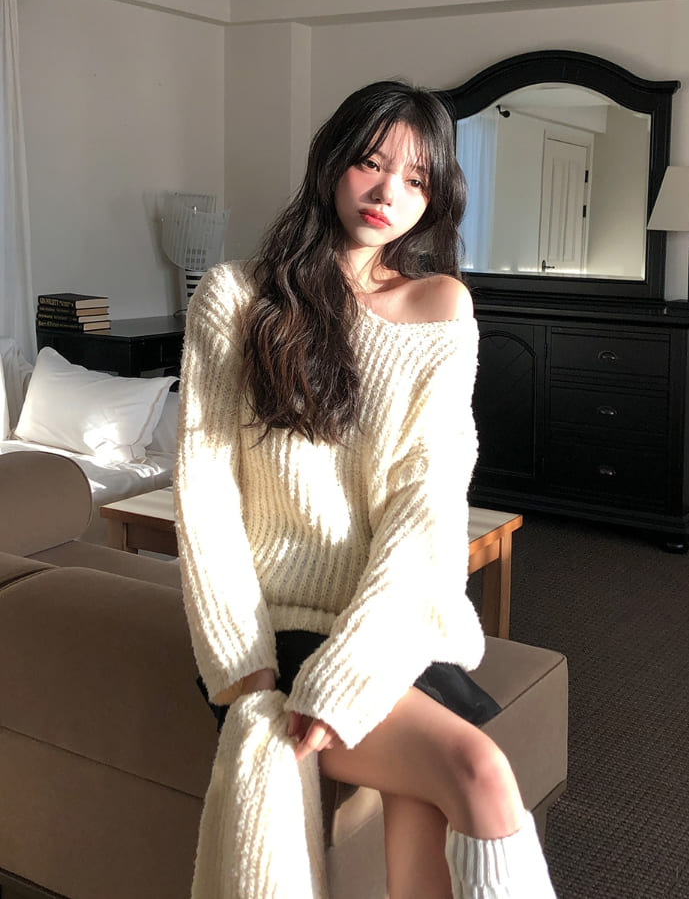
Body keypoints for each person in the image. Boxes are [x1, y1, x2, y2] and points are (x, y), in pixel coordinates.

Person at [174, 80, 556, 899]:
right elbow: (205, 495)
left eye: (416, 179)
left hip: (388, 627)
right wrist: (245, 674)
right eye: (371, 164)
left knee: (433, 803)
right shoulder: (236, 299)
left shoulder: (440, 306)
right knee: (478, 769)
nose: (389, 193)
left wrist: (358, 664)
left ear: (436, 195)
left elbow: (427, 502)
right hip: (277, 631)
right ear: (331, 163)